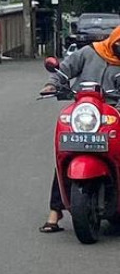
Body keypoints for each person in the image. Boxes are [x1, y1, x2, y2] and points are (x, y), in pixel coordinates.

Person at [42, 26, 120, 233]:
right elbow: (64, 70)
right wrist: (53, 84)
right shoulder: (89, 52)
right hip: (86, 113)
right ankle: (55, 211)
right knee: (67, 154)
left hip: (115, 115)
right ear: (113, 41)